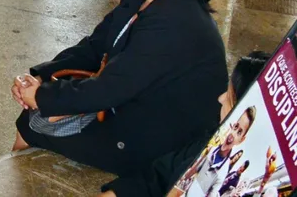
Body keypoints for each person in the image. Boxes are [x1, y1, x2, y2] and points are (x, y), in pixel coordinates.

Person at [11, 0, 227, 191]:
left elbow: (111, 88)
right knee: (36, 116)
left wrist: (42, 96)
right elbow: (97, 44)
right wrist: (42, 76)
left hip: (161, 138)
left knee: (33, 122)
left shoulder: (175, 22)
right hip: (135, 106)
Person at [97, 51, 269, 197]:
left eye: (229, 98)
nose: (220, 98)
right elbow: (159, 175)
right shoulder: (209, 141)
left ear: (244, 138)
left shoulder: (224, 177)